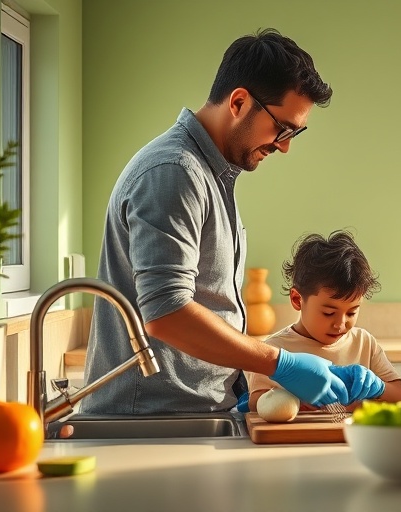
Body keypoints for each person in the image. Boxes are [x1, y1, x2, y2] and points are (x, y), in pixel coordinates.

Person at [81, 28, 365, 415]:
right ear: (239, 102)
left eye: (296, 132)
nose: (285, 146)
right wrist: (279, 363)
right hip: (153, 419)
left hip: (188, 414)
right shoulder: (174, 173)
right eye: (283, 128)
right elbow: (166, 311)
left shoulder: (211, 175)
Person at [246, 231, 401, 412]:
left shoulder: (364, 343)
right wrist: (299, 402)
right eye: (328, 313)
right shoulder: (274, 350)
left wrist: (379, 387)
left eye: (351, 312)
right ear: (297, 300)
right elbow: (255, 402)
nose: (340, 324)